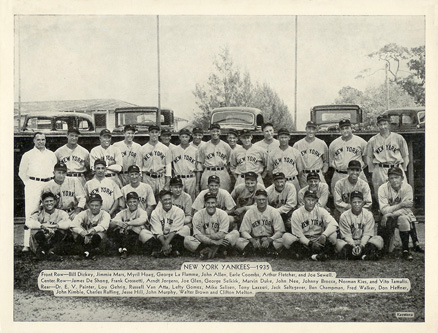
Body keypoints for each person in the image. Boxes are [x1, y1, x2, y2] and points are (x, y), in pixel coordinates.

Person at [19, 132, 57, 252]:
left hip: (48, 183)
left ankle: (49, 243)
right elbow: (21, 172)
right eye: (38, 139)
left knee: (49, 210)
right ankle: (27, 244)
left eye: (43, 139)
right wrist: (30, 184)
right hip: (33, 184)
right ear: (34, 141)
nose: (41, 142)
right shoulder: (28, 155)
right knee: (31, 212)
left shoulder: (51, 154)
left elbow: (55, 170)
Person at [378, 167, 423, 260]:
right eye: (391, 178)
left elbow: (407, 209)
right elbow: (383, 210)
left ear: (402, 178)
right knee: (387, 250)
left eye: (396, 177)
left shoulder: (407, 187)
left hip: (393, 216)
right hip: (387, 218)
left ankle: (405, 250)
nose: (394, 180)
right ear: (388, 179)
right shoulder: (382, 188)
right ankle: (388, 244)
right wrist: (401, 204)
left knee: (404, 219)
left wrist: (391, 213)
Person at [283, 190, 338, 261]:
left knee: (333, 235)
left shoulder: (321, 210)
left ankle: (312, 255)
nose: (311, 203)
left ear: (316, 201)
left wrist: (324, 235)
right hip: (303, 242)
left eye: (313, 200)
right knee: (286, 237)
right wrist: (310, 244)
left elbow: (334, 224)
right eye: (308, 200)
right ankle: (318, 255)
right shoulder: (297, 213)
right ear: (303, 200)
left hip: (319, 239)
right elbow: (298, 234)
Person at [184, 192, 239, 259]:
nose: (210, 205)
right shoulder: (198, 215)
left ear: (216, 203)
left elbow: (222, 234)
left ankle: (206, 252)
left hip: (219, 241)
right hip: (204, 243)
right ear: (204, 203)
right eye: (208, 203)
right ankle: (218, 252)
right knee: (187, 239)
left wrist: (206, 236)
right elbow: (197, 235)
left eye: (212, 203)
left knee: (235, 233)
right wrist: (214, 242)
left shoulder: (223, 214)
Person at [366, 114, 409, 198]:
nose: (383, 127)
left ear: (389, 124)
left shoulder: (398, 138)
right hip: (380, 169)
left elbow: (405, 156)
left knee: (401, 193)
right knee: (380, 194)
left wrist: (402, 169)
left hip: (396, 167)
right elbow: (368, 157)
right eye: (380, 124)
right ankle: (382, 210)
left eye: (385, 124)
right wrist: (373, 170)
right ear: (377, 125)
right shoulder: (373, 140)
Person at [336, 191, 383, 261]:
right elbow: (346, 236)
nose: (357, 204)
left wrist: (361, 246)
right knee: (338, 243)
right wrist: (353, 246)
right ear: (350, 203)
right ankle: (365, 256)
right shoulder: (344, 216)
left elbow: (367, 234)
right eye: (354, 202)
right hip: (350, 242)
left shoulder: (368, 214)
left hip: (364, 241)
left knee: (379, 240)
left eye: (359, 202)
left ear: (363, 203)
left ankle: (353, 255)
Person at [236, 189, 285, 256]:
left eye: (263, 199)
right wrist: (252, 240)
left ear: (267, 199)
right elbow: (244, 231)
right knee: (237, 241)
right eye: (259, 200)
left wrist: (270, 240)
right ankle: (265, 251)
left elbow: (280, 231)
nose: (261, 202)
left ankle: (257, 251)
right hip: (255, 239)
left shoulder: (274, 211)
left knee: (284, 239)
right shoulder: (250, 212)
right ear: (255, 200)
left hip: (270, 239)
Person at [142, 190, 190, 257]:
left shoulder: (179, 211)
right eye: (165, 200)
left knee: (186, 229)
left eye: (169, 199)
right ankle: (172, 250)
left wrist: (166, 244)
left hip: (173, 236)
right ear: (161, 201)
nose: (168, 202)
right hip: (160, 238)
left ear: (172, 199)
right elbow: (158, 232)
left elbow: (174, 231)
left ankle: (161, 251)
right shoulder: (155, 212)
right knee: (143, 233)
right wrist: (165, 244)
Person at [26, 191, 71, 260]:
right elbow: (29, 222)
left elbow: (68, 223)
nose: (49, 203)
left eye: (51, 201)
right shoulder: (38, 213)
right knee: (34, 230)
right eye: (46, 201)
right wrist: (42, 227)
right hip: (42, 239)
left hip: (54, 238)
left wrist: (55, 226)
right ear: (42, 202)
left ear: (55, 202)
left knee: (62, 230)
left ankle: (48, 251)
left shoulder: (61, 212)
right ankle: (44, 251)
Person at [328, 119, 368, 194]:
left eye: (347, 128)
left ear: (351, 128)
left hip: (356, 175)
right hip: (339, 174)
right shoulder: (334, 144)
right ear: (339, 130)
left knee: (359, 199)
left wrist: (358, 169)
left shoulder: (361, 142)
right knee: (338, 199)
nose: (345, 131)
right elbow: (331, 161)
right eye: (342, 129)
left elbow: (366, 161)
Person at [109, 191, 148, 259]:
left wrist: (128, 223)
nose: (132, 204)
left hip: (136, 236)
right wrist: (119, 223)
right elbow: (112, 223)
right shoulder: (123, 212)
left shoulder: (141, 211)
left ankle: (123, 250)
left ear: (138, 202)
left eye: (134, 201)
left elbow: (143, 220)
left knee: (132, 230)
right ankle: (123, 250)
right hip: (125, 235)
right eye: (130, 202)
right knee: (117, 231)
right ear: (127, 203)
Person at [71, 194, 111, 260]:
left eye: (96, 205)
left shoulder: (105, 214)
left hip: (98, 238)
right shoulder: (84, 213)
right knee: (76, 234)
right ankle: (87, 251)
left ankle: (89, 251)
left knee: (99, 234)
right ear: (89, 204)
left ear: (101, 205)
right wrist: (81, 232)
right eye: (92, 205)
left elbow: (103, 226)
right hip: (85, 236)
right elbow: (73, 224)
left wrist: (91, 231)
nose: (94, 208)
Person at [137, 125, 171, 197]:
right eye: (152, 132)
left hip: (161, 178)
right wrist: (140, 182)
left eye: (156, 132)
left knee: (161, 202)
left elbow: (168, 167)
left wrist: (167, 184)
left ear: (159, 133)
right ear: (148, 133)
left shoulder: (165, 149)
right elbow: (139, 166)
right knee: (148, 201)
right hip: (147, 177)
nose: (154, 134)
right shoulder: (142, 149)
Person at [196, 124, 232, 192]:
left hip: (222, 172)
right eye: (213, 131)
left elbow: (229, 163)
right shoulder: (204, 147)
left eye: (217, 131)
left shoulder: (226, 146)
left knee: (223, 194)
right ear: (210, 132)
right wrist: (197, 184)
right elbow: (200, 164)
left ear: (220, 132)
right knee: (207, 194)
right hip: (208, 172)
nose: (215, 133)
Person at [267, 128, 303, 194]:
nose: (283, 140)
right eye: (281, 137)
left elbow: (300, 170)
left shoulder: (295, 152)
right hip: (278, 182)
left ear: (289, 138)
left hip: (292, 180)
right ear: (278, 138)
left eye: (285, 137)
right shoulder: (272, 153)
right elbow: (269, 170)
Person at [293, 121, 329, 187]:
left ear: (316, 130)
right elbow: (294, 162)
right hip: (304, 175)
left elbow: (326, 161)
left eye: (313, 129)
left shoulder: (322, 144)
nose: (311, 131)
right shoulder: (297, 144)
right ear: (306, 129)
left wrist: (323, 173)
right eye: (309, 128)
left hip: (317, 174)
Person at [170, 128, 198, 200]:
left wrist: (197, 183)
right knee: (178, 199)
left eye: (186, 137)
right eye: (182, 137)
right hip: (179, 178)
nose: (184, 139)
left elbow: (198, 168)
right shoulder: (174, 150)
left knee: (191, 199)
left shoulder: (195, 150)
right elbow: (171, 166)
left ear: (189, 137)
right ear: (179, 137)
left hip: (191, 178)